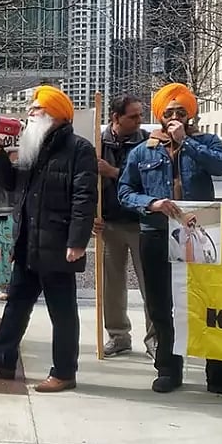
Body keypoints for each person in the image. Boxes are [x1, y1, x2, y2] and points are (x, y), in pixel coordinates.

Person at [119, 82, 222, 402]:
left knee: (209, 302)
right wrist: (151, 203)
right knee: (161, 303)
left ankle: (220, 374)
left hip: (201, 227)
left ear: (191, 115)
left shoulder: (205, 142)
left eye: (181, 112)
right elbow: (125, 191)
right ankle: (168, 368)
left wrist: (186, 143)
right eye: (169, 113)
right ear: (160, 116)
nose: (175, 117)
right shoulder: (143, 150)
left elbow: (220, 166)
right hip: (156, 231)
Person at [0, 85, 96, 393]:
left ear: (53, 114)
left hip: (59, 245)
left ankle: (64, 372)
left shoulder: (79, 149)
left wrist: (77, 242)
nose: (29, 113)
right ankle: (2, 358)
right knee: (16, 304)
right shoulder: (33, 146)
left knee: (62, 313)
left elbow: (85, 197)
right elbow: (12, 184)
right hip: (28, 243)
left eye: (35, 109)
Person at [97, 95, 154, 358]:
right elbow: (85, 184)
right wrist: (90, 216)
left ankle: (155, 338)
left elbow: (149, 182)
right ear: (115, 117)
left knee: (150, 284)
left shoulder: (148, 143)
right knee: (112, 285)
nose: (139, 120)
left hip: (142, 223)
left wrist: (113, 172)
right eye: (133, 116)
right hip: (110, 223)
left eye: (140, 115)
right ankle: (118, 336)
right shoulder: (97, 143)